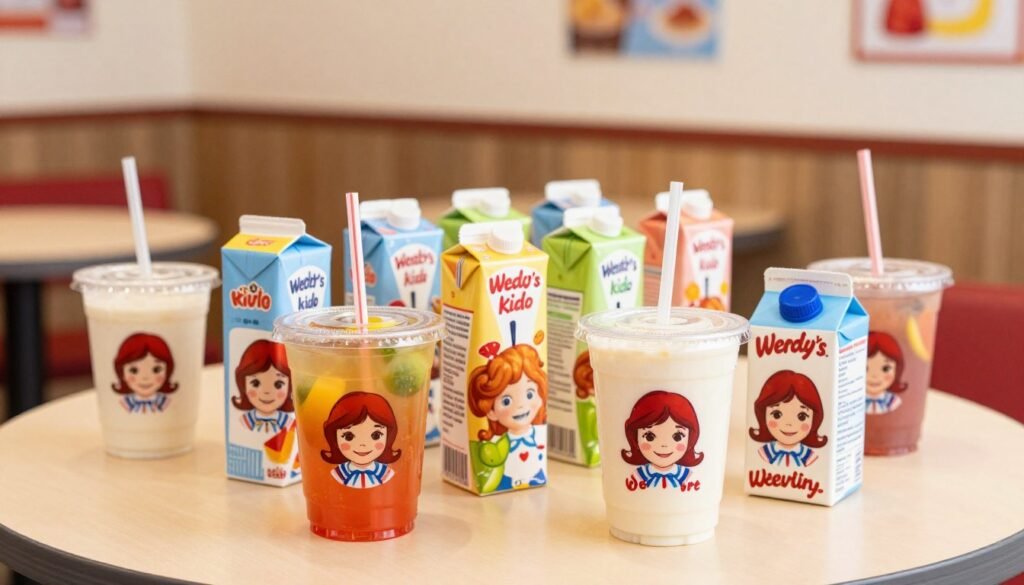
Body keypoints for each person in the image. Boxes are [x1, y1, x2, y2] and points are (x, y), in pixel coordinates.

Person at [468, 343, 548, 490]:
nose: (521, 405)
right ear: (490, 411)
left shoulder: (540, 433)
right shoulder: (497, 445)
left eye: (530, 393)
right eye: (506, 401)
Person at [621, 390, 703, 490]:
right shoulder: (639, 475)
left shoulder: (685, 475)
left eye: (678, 436)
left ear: (690, 439)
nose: (664, 445)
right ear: (635, 439)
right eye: (649, 436)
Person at [321, 392, 401, 489]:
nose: (362, 444)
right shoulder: (338, 474)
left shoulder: (386, 474)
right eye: (348, 436)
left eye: (376, 435)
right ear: (335, 438)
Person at [749, 370, 828, 467]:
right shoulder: (765, 453)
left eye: (802, 417)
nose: (789, 423)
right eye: (776, 414)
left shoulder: (809, 457)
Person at [231, 340, 294, 433]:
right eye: (255, 383)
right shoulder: (245, 421)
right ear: (243, 384)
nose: (267, 391)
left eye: (278, 384)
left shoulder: (288, 422)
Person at [111, 333, 178, 414]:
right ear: (122, 373)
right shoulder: (125, 403)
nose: (145, 377)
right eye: (134, 370)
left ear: (168, 372)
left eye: (156, 369)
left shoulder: (165, 403)